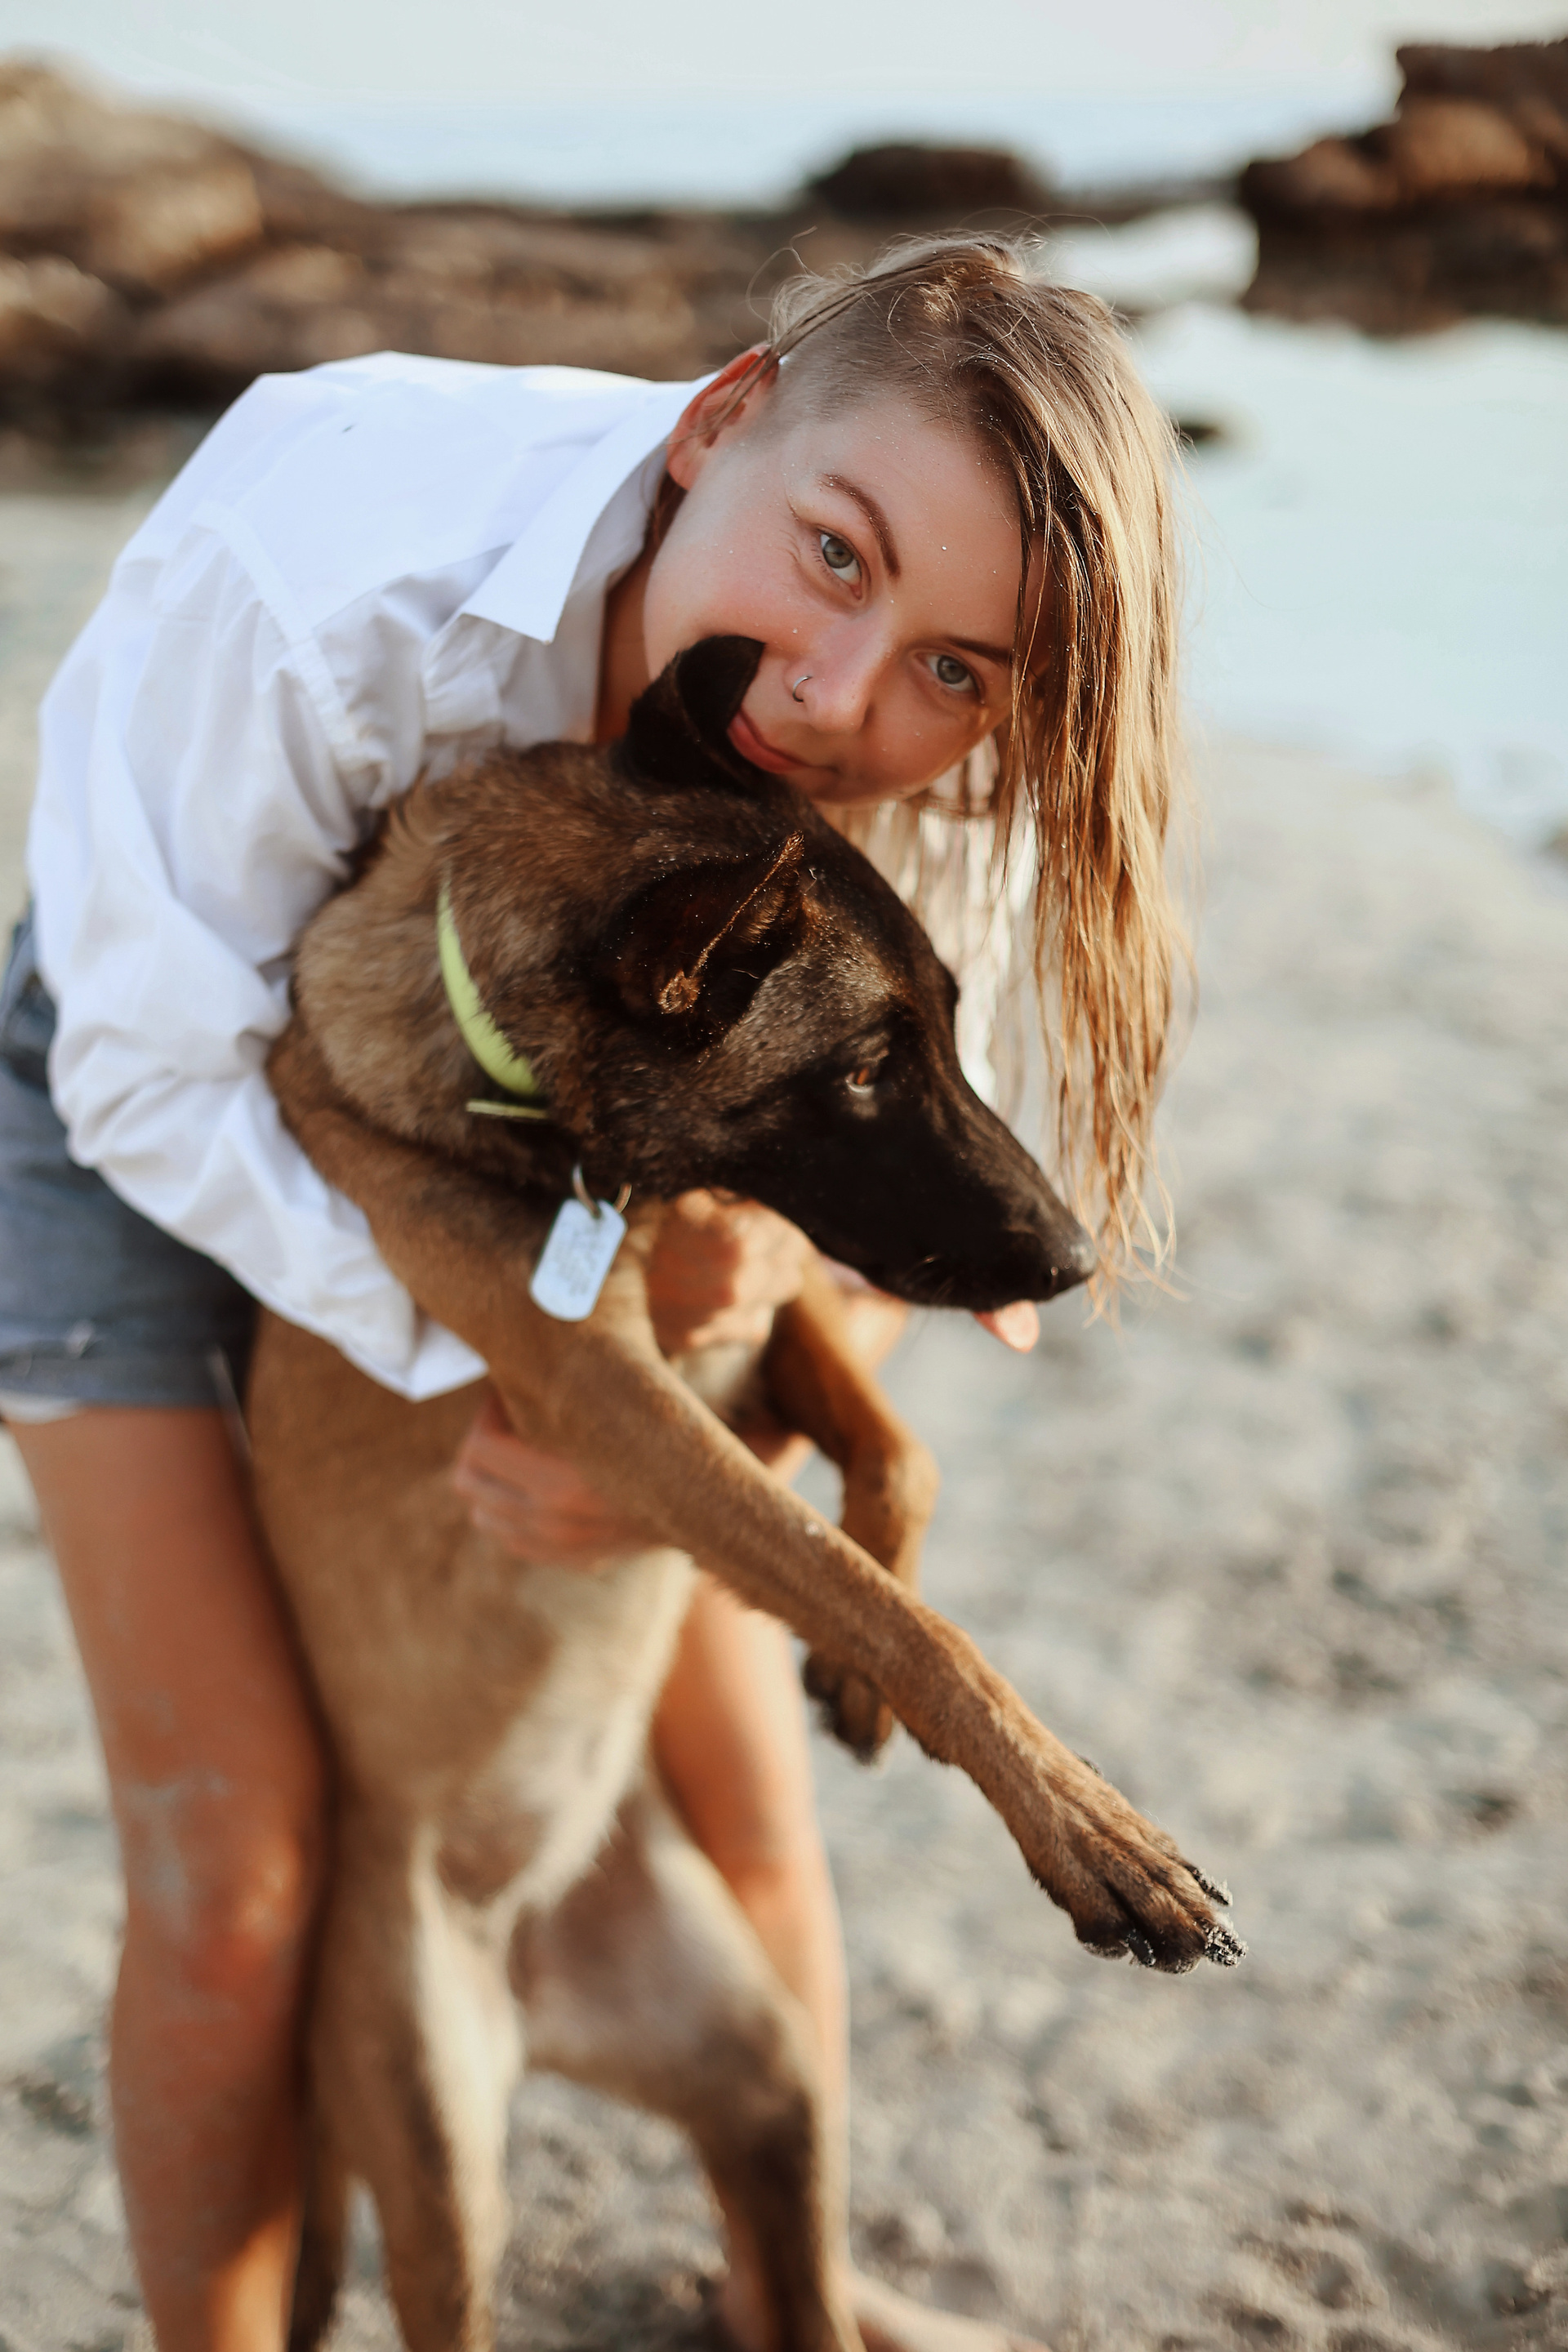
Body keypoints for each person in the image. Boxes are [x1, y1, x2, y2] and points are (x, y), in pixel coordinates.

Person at [0, 235, 1186, 2351]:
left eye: (956, 664)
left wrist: (744, 1314)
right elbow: (149, 1073)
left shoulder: (941, 782)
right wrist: (522, 1368)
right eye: (834, 555)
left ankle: (789, 2296)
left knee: (750, 1795)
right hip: (147, 1070)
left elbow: (870, 1192)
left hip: (596, 1116)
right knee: (239, 1866)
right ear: (722, 418)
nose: (843, 699)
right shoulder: (328, 558)